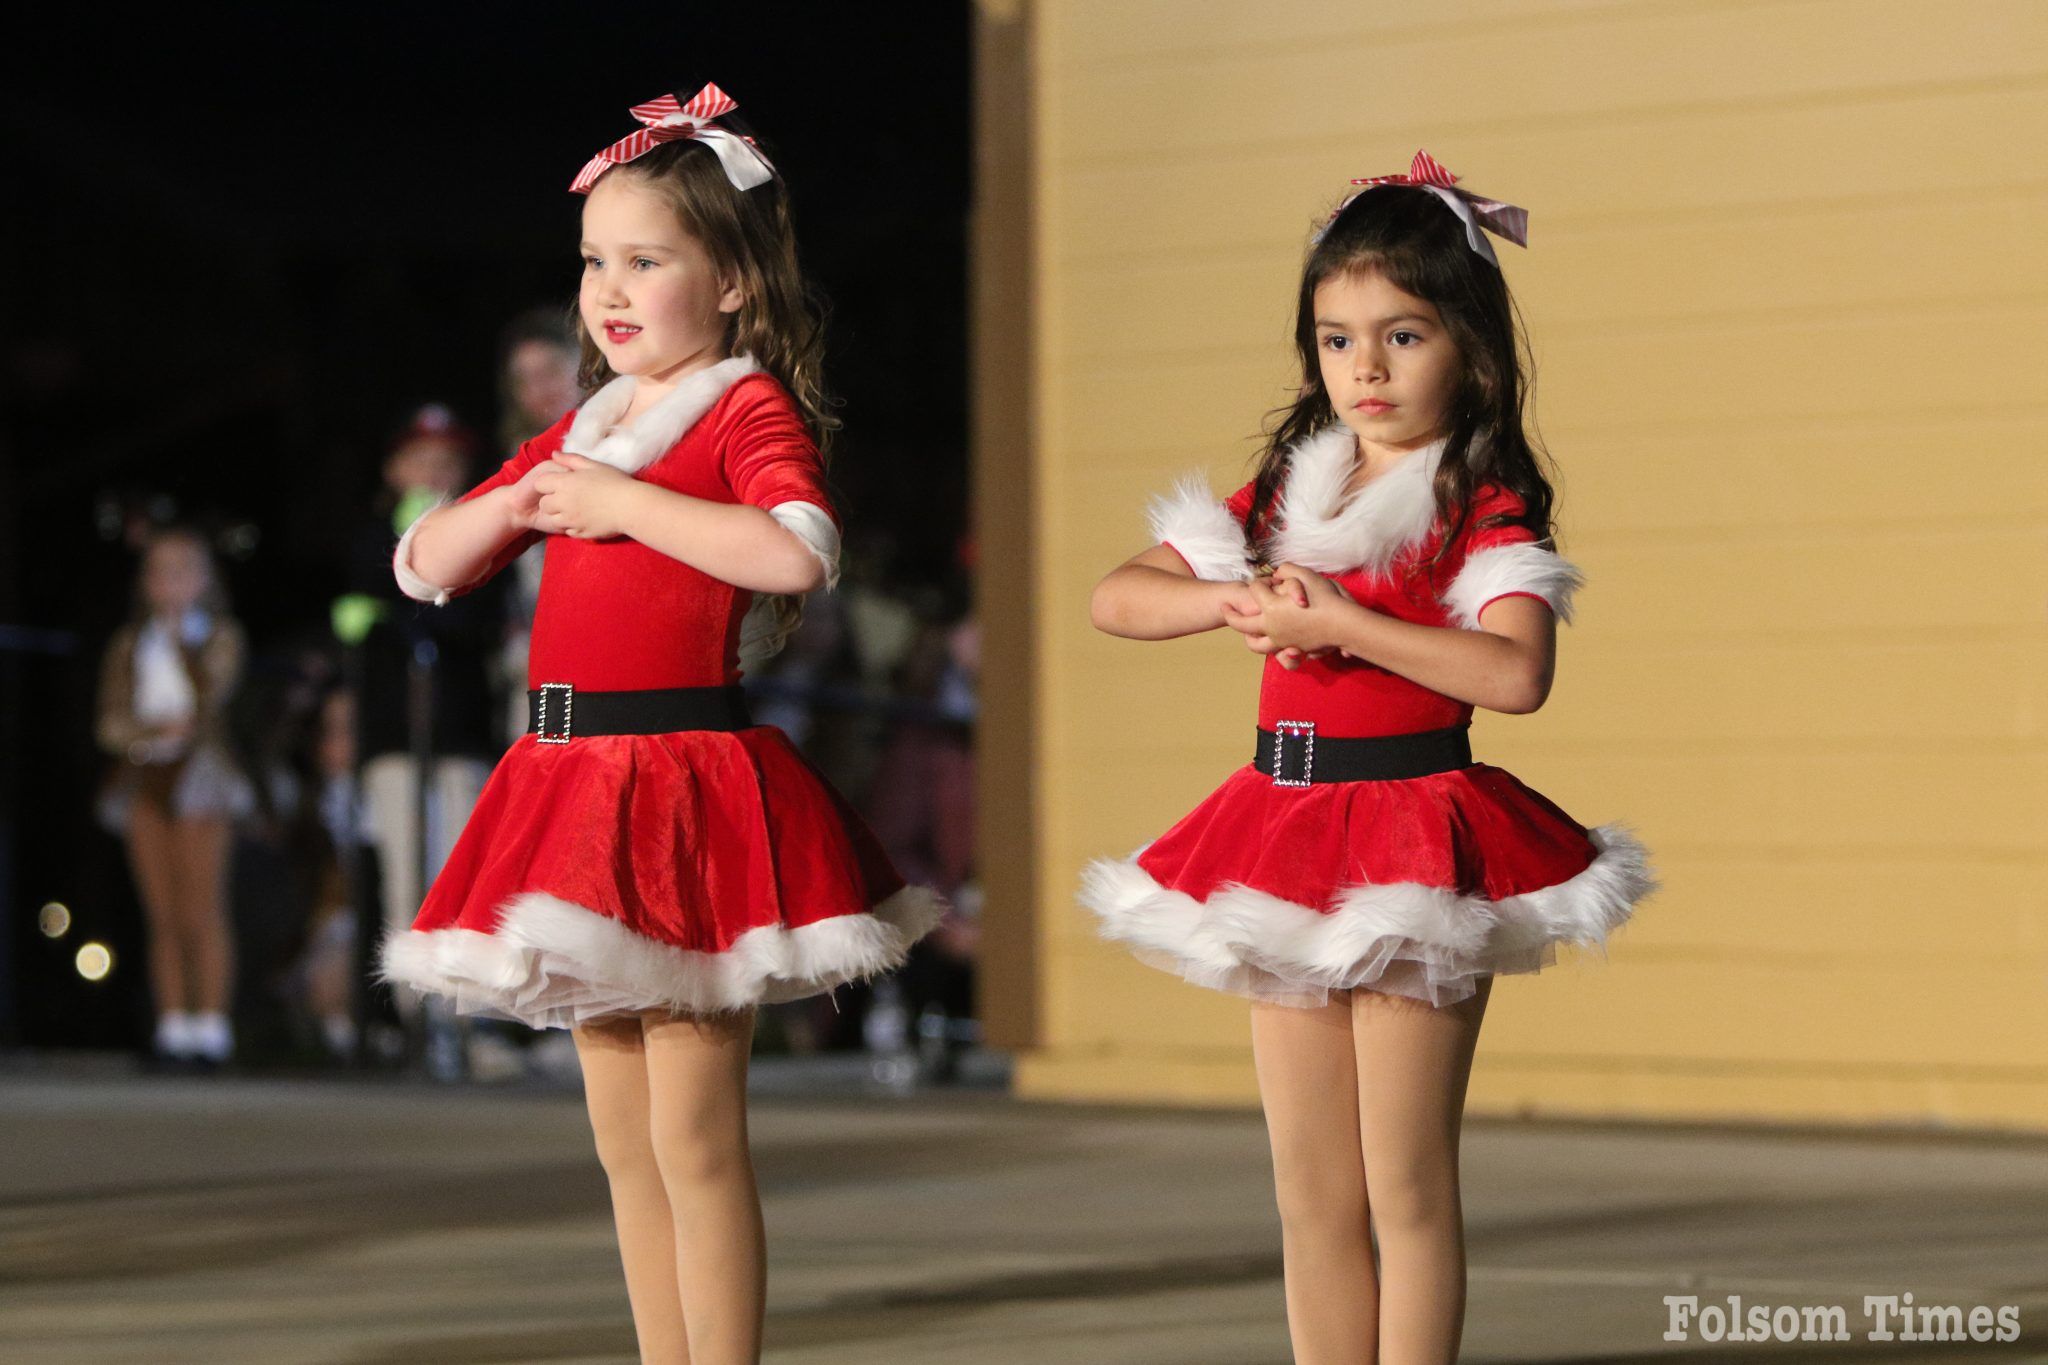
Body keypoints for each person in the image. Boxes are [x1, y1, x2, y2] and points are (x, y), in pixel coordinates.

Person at [378, 84, 943, 1364]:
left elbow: (796, 552)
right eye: (593, 262)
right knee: (623, 1145)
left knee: (694, 1137)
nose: (609, 290)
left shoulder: (739, 408)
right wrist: (526, 503)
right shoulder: (581, 429)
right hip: (570, 782)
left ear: (734, 280)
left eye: (646, 261)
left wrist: (620, 506)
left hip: (683, 782)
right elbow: (424, 564)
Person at [1081, 152, 1660, 1364]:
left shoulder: (1477, 499)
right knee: (1310, 1190)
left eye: (1400, 336)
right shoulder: (1291, 489)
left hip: (1410, 839)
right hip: (1282, 829)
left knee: (1401, 1183)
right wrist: (1236, 598)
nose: (1366, 368)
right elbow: (1116, 599)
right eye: (1337, 340)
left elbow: (1513, 675)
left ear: (1471, 348)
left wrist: (1338, 622)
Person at [95, 525, 253, 1069]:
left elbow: (212, 697)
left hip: (202, 776)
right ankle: (173, 1026)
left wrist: (183, 638)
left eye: (186, 568)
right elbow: (110, 720)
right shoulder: (130, 643)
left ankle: (212, 1027)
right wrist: (145, 735)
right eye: (161, 570)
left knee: (202, 905)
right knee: (160, 911)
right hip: (145, 776)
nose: (173, 580)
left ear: (207, 578)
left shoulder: (218, 634)